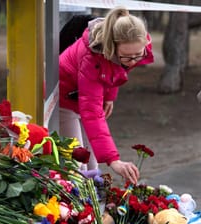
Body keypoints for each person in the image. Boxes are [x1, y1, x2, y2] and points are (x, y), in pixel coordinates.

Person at [59, 6, 154, 185]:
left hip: (84, 94)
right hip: (62, 97)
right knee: (78, 164)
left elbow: (117, 69)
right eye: (127, 56)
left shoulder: (134, 45)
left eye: (138, 55)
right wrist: (114, 160)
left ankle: (96, 207)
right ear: (111, 48)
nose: (133, 60)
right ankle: (77, 209)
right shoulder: (91, 60)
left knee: (93, 165)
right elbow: (92, 114)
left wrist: (110, 95)